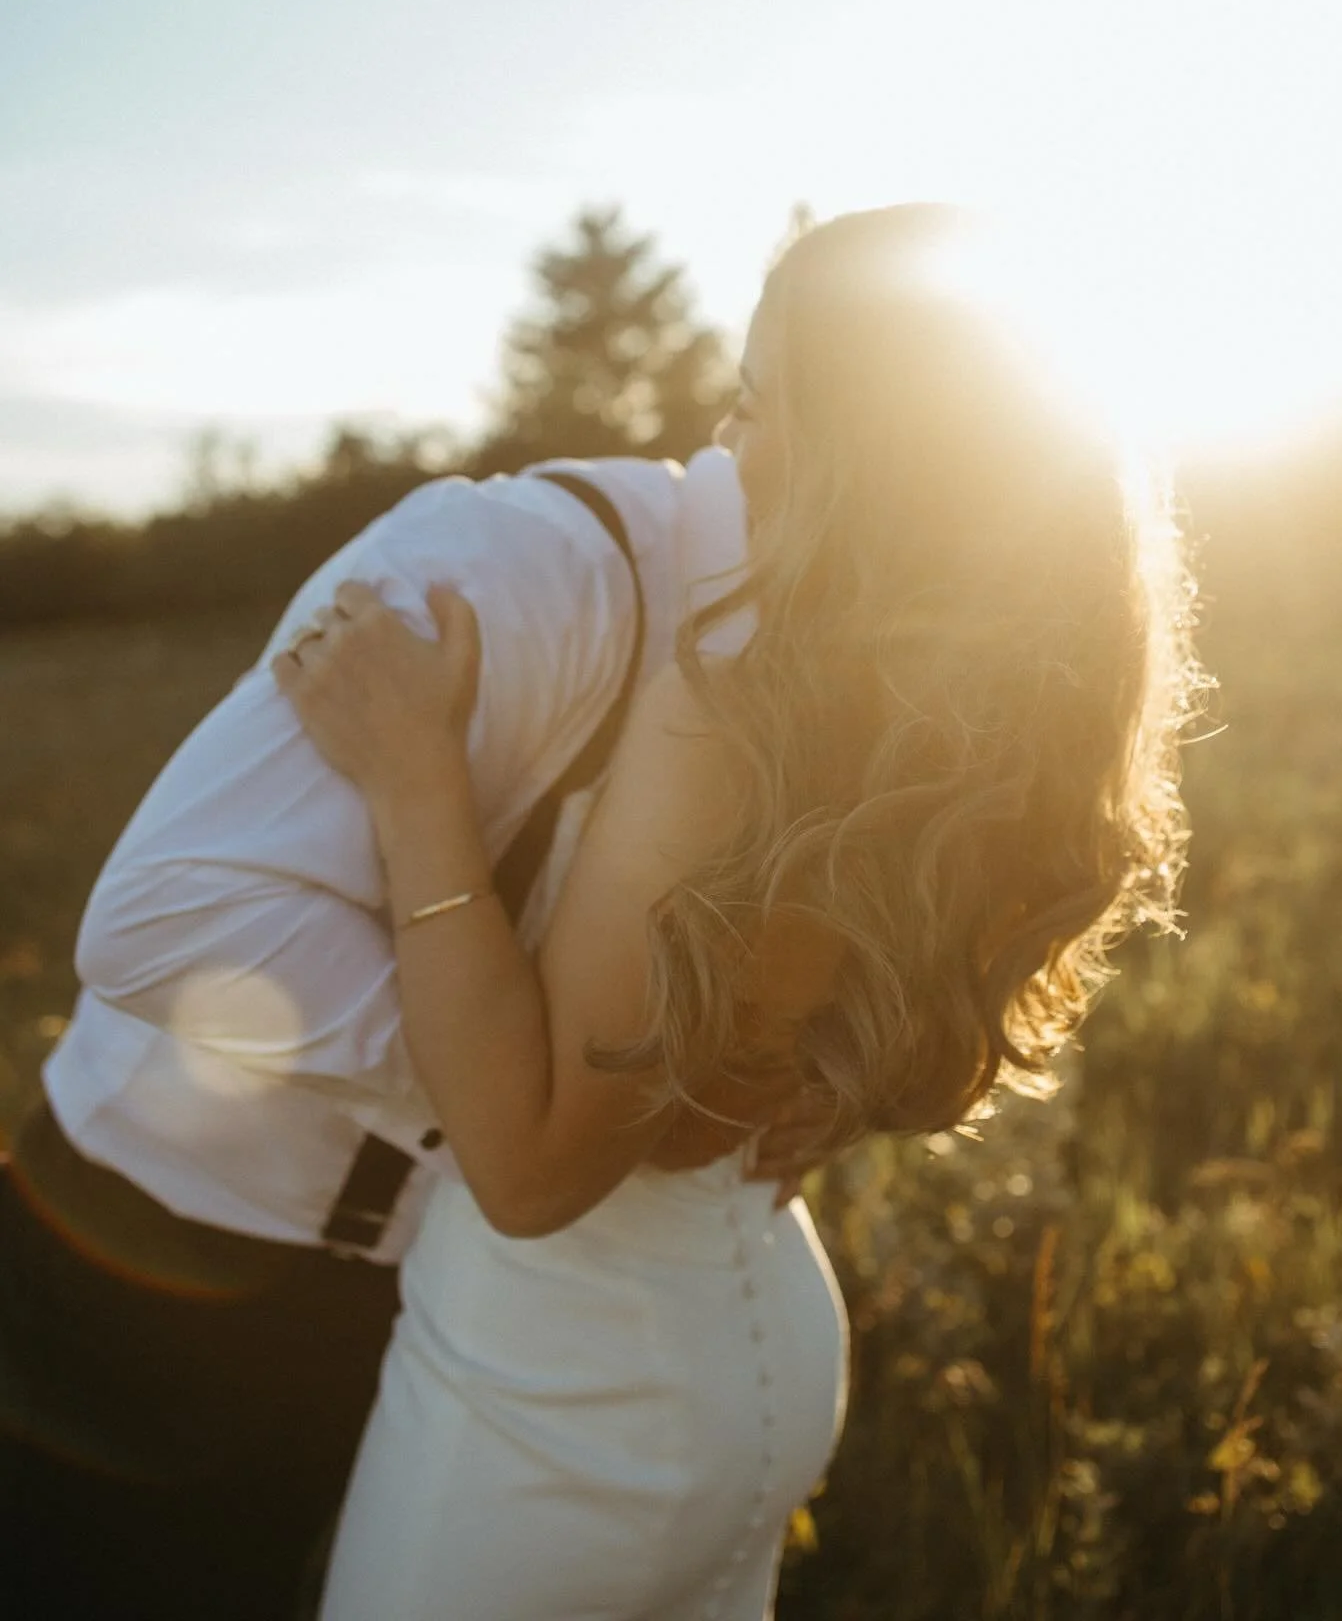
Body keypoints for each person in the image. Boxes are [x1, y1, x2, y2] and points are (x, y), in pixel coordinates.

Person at [266, 204, 1202, 1620]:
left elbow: (527, 1174)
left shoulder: (741, 705)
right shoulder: (949, 718)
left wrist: (414, 783)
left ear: (868, 458)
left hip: (554, 1396)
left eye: (763, 406)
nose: (723, 449)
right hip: (757, 1339)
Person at [0, 441, 747, 1620]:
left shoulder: (842, 687)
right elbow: (164, 919)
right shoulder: (509, 565)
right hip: (151, 1253)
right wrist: (520, 1096)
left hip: (447, 1290)